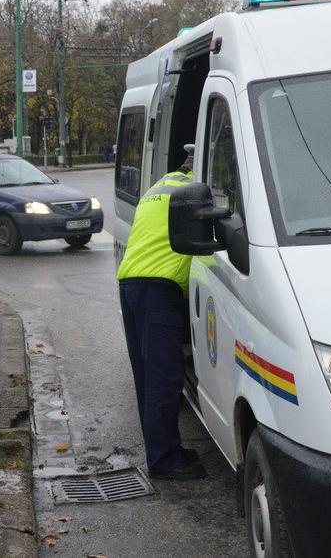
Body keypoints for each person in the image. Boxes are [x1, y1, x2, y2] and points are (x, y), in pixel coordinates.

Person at [116, 148, 206, 480]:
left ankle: (166, 449)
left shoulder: (158, 189)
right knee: (165, 379)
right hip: (159, 289)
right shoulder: (195, 193)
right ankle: (164, 461)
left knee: (147, 377)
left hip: (132, 284)